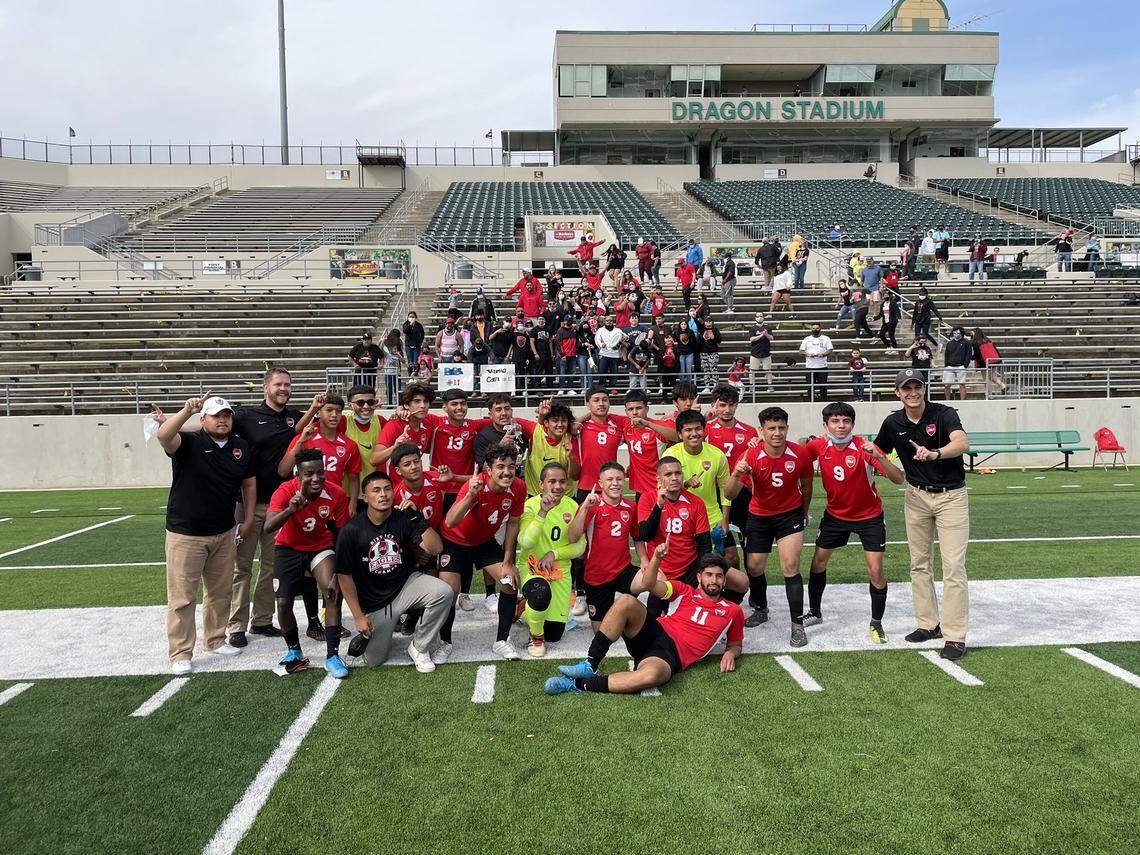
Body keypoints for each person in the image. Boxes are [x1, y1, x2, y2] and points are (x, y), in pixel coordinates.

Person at [545, 547, 743, 696]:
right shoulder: (684, 591)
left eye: (719, 576)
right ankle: (589, 665)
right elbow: (648, 584)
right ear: (699, 578)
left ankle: (576, 684)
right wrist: (656, 559)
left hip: (670, 655)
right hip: (655, 631)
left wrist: (730, 654)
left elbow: (735, 644)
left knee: (651, 677)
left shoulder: (733, 611)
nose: (714, 580)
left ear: (724, 581)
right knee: (626, 601)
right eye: (709, 575)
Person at [874, 369, 971, 660]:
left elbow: (962, 443)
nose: (912, 392)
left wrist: (935, 453)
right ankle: (928, 625)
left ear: (924, 388)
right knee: (919, 564)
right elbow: (878, 453)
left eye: (917, 386)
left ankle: (954, 636)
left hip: (951, 496)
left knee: (953, 567)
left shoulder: (944, 414)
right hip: (916, 496)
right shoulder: (893, 422)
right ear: (897, 393)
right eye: (906, 388)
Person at [158, 393, 255, 674]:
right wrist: (186, 410)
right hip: (186, 533)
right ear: (203, 420)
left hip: (223, 531)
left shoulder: (240, 447)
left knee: (220, 592)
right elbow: (165, 435)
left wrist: (247, 519)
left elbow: (248, 485)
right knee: (182, 597)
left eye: (226, 415)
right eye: (216, 416)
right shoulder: (189, 442)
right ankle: (180, 652)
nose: (222, 420)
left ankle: (214, 639)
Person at [804, 403, 904, 642]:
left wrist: (879, 456)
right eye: (835, 422)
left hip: (869, 517)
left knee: (876, 570)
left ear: (852, 424)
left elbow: (898, 478)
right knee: (818, 562)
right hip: (835, 516)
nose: (841, 426)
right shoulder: (817, 445)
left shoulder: (864, 447)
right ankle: (815, 612)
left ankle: (876, 623)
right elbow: (794, 455)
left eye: (845, 421)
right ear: (826, 425)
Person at [336, 471, 449, 671]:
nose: (383, 495)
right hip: (376, 602)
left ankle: (419, 646)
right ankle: (376, 631)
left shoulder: (404, 518)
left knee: (444, 592)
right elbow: (344, 576)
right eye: (376, 490)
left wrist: (416, 517)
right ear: (365, 497)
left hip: (405, 586)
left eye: (387, 489)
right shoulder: (352, 530)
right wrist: (358, 616)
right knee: (374, 660)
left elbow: (436, 548)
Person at [227, 367, 302, 646]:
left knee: (272, 567)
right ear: (265, 388)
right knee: (241, 566)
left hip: (279, 504)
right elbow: (211, 427)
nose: (284, 389)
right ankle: (235, 625)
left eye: (288, 384)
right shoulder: (245, 416)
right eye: (279, 384)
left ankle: (262, 620)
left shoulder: (296, 417)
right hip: (246, 504)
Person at [727, 406, 813, 645]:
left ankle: (797, 624)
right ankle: (761, 608)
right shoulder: (750, 455)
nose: (777, 433)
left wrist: (803, 512)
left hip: (789, 516)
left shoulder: (800, 454)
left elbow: (807, 487)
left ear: (787, 428)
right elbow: (730, 494)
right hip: (759, 516)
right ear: (761, 430)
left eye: (781, 428)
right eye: (771, 428)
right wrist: (736, 474)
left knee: (790, 565)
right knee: (754, 567)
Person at [264, 448, 351, 677]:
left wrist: (338, 570)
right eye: (309, 474)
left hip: (320, 547)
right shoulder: (285, 491)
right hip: (288, 548)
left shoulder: (337, 494)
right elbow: (268, 527)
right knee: (283, 603)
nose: (316, 479)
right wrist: (291, 510)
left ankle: (332, 656)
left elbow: (343, 535)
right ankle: (294, 651)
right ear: (297, 475)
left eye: (320, 473)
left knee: (332, 593)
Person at [441, 446, 526, 660]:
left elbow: (513, 524)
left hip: (483, 541)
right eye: (500, 467)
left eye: (511, 466)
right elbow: (450, 522)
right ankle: (444, 642)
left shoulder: (518, 487)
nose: (507, 472)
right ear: (488, 469)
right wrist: (470, 495)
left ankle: (502, 640)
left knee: (509, 583)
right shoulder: (475, 484)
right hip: (455, 541)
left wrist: (508, 561)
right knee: (448, 593)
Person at [516, 462, 586, 657]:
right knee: (540, 593)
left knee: (555, 635)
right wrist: (543, 513)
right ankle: (535, 637)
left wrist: (554, 554)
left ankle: (522, 609)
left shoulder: (572, 506)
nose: (557, 486)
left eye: (562, 482)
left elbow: (581, 547)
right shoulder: (530, 505)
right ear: (541, 484)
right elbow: (525, 541)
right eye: (552, 481)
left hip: (560, 571)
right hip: (532, 567)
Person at [634, 456, 713, 618]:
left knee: (739, 581)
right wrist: (659, 506)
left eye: (678, 473)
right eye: (668, 474)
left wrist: (702, 573)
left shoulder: (696, 502)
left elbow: (704, 545)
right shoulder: (648, 499)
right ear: (658, 478)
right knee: (653, 619)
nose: (674, 478)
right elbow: (645, 535)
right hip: (661, 570)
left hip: (689, 569)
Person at [568, 461, 638, 628]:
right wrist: (584, 507)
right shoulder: (592, 506)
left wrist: (645, 561)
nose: (615, 483)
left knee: (654, 579)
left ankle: (659, 615)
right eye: (610, 479)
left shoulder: (631, 506)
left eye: (619, 479)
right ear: (601, 483)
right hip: (597, 574)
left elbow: (637, 537)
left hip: (623, 569)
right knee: (601, 631)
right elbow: (572, 537)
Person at [664, 409, 734, 559]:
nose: (694, 433)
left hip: (712, 516)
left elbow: (725, 489)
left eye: (698, 429)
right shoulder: (671, 455)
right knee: (692, 560)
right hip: (682, 517)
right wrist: (686, 484)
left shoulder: (717, 455)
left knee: (730, 558)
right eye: (688, 430)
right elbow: (663, 490)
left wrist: (725, 518)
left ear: (704, 430)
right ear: (679, 434)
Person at [703, 384, 759, 572]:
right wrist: (704, 419)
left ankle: (750, 585)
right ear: (714, 405)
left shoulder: (749, 431)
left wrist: (758, 444)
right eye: (722, 405)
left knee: (748, 544)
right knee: (719, 545)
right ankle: (719, 584)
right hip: (715, 494)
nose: (727, 410)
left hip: (742, 492)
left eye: (731, 405)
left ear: (737, 405)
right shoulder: (706, 430)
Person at [279, 394, 362, 509]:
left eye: (338, 411)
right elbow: (283, 471)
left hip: (333, 503)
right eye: (329, 410)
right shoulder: (304, 437)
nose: (334, 415)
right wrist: (300, 442)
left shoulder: (350, 445)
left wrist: (353, 504)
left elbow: (354, 478)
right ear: (318, 413)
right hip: (303, 502)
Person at [621, 389, 680, 505]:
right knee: (643, 522)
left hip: (660, 487)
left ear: (647, 409)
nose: (634, 412)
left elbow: (676, 437)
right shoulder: (626, 426)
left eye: (638, 408)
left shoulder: (657, 426)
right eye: (630, 409)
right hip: (640, 489)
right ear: (626, 412)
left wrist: (648, 424)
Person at [372, 382, 439, 474]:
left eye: (426, 401)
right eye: (417, 401)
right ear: (407, 405)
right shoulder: (394, 425)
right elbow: (374, 460)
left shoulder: (428, 422)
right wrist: (395, 447)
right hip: (393, 485)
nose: (423, 406)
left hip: (413, 484)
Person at [343, 385, 386, 509]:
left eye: (370, 402)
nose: (366, 406)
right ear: (350, 405)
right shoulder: (343, 422)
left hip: (376, 492)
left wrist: (401, 410)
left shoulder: (381, 421)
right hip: (349, 493)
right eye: (360, 403)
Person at [799, 324, 833, 401]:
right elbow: (801, 351)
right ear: (811, 329)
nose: (815, 330)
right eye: (813, 328)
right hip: (810, 367)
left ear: (820, 328)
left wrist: (823, 354)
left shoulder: (826, 338)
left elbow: (830, 350)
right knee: (810, 386)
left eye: (817, 328)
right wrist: (808, 354)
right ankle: (811, 401)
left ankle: (823, 401)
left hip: (822, 366)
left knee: (823, 386)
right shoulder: (806, 339)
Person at [970, 328, 1007, 394]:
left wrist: (971, 358)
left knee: (986, 379)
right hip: (994, 360)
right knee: (992, 376)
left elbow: (977, 354)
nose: (971, 335)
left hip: (984, 362)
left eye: (972, 333)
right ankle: (1003, 386)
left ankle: (990, 394)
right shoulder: (987, 340)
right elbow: (995, 350)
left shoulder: (975, 342)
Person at [942, 326, 972, 400]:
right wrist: (946, 364)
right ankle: (947, 400)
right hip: (950, 366)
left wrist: (965, 365)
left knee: (962, 384)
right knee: (947, 385)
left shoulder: (966, 342)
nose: (956, 334)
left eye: (958, 333)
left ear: (961, 333)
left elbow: (969, 354)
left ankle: (962, 401)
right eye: (954, 333)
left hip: (961, 366)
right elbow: (947, 354)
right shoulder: (950, 343)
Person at [748, 312, 775, 393]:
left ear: (763, 317)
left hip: (766, 352)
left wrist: (765, 334)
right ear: (755, 318)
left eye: (761, 316)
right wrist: (760, 335)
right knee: (752, 370)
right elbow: (751, 339)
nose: (759, 318)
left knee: (768, 370)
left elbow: (771, 338)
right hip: (755, 353)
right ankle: (751, 386)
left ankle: (770, 386)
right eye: (758, 316)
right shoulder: (752, 328)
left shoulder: (767, 327)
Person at [594, 316, 626, 382]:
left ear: (613, 322)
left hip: (615, 355)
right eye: (607, 321)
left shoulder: (618, 330)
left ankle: (613, 389)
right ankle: (602, 388)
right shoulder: (600, 330)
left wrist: (625, 338)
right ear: (604, 322)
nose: (609, 322)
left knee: (614, 374)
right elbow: (597, 339)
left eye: (610, 321)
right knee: (602, 373)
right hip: (604, 354)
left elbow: (625, 336)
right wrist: (601, 344)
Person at [380, 329, 406, 405]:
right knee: (389, 389)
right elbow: (381, 348)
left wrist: (399, 354)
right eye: (394, 349)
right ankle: (389, 403)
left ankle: (398, 403)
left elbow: (404, 361)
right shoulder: (388, 354)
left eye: (396, 349)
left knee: (398, 389)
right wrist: (383, 340)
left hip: (397, 374)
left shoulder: (398, 355)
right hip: (388, 374)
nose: (395, 350)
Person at [697, 317, 722, 393]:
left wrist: (713, 338)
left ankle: (715, 386)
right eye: (706, 321)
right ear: (704, 322)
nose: (708, 323)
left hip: (713, 352)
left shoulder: (715, 330)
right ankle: (707, 386)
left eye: (709, 321)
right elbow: (698, 340)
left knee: (713, 369)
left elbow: (719, 340)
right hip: (704, 353)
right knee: (706, 370)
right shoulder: (701, 330)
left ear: (712, 322)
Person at [875, 288, 900, 354]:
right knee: (881, 335)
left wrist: (899, 318)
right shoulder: (883, 304)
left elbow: (897, 312)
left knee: (891, 335)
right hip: (885, 322)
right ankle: (888, 346)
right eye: (884, 295)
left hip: (892, 322)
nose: (885, 297)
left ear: (890, 296)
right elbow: (881, 314)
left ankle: (895, 349)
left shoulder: (893, 303)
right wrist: (874, 318)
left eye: (886, 295)